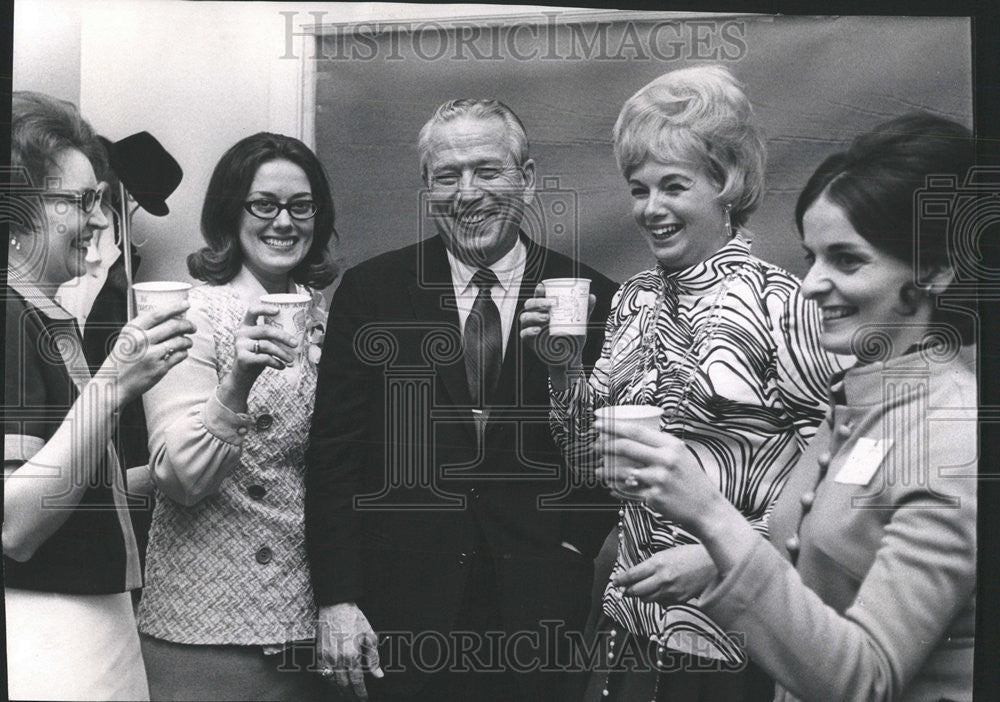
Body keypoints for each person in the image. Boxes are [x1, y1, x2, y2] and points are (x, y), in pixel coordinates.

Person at [602, 113, 977, 701]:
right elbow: (809, 546)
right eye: (812, 258)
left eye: (847, 261)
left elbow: (864, 679)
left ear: (935, 270)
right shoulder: (862, 396)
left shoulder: (953, 435)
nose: (811, 284)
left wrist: (707, 513)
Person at [520, 65, 846, 701]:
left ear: (726, 186)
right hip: (629, 622)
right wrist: (560, 366)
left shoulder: (784, 301)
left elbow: (832, 484)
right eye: (639, 190)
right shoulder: (632, 300)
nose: (652, 208)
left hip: (735, 634)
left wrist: (722, 554)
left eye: (674, 185)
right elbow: (586, 463)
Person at [305, 98, 619, 701]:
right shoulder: (373, 294)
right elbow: (333, 455)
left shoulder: (591, 299)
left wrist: (575, 544)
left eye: (487, 170)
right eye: (447, 175)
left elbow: (606, 451)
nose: (467, 193)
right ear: (427, 187)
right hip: (399, 612)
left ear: (526, 179)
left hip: (540, 612)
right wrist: (337, 598)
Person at [4, 91, 195, 701]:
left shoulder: (42, 318)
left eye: (100, 200)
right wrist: (116, 383)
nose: (98, 221)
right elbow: (15, 525)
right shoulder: (8, 319)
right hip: (49, 630)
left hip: (90, 623)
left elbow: (75, 487)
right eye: (80, 201)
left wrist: (223, 414)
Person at [136, 132, 339, 700]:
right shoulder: (190, 316)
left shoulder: (327, 321)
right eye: (263, 204)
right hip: (205, 626)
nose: (284, 222)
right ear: (231, 212)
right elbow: (179, 477)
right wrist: (238, 382)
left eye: (301, 207)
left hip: (306, 621)